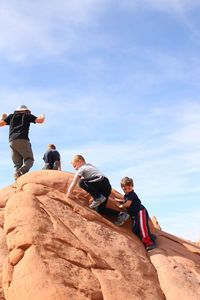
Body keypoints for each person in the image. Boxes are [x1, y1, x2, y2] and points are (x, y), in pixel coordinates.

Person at [0, 105, 45, 180]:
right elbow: (40, 120)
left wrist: (2, 117)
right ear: (25, 110)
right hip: (22, 139)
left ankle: (17, 180)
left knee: (17, 164)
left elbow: (1, 124)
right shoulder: (27, 115)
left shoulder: (11, 116)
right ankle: (21, 171)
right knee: (29, 159)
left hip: (12, 141)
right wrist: (42, 115)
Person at [113, 177, 156, 251]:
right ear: (122, 188)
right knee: (135, 229)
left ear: (132, 186)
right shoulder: (126, 195)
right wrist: (119, 200)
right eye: (125, 189)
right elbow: (126, 200)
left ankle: (149, 243)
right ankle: (149, 236)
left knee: (142, 226)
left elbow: (128, 204)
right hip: (135, 215)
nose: (127, 190)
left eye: (129, 188)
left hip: (140, 211)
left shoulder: (132, 194)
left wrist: (120, 206)